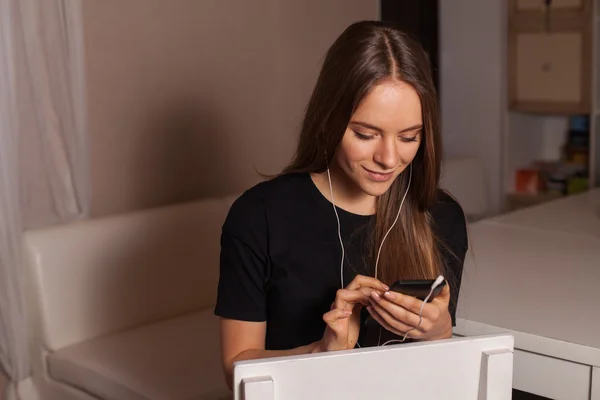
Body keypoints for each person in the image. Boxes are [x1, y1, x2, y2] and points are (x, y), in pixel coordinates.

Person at [214, 20, 468, 388]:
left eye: (409, 137)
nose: (388, 158)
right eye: (365, 134)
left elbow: (437, 373)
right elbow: (235, 369)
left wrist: (440, 331)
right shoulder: (259, 218)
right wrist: (321, 353)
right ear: (329, 120)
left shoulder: (441, 217)